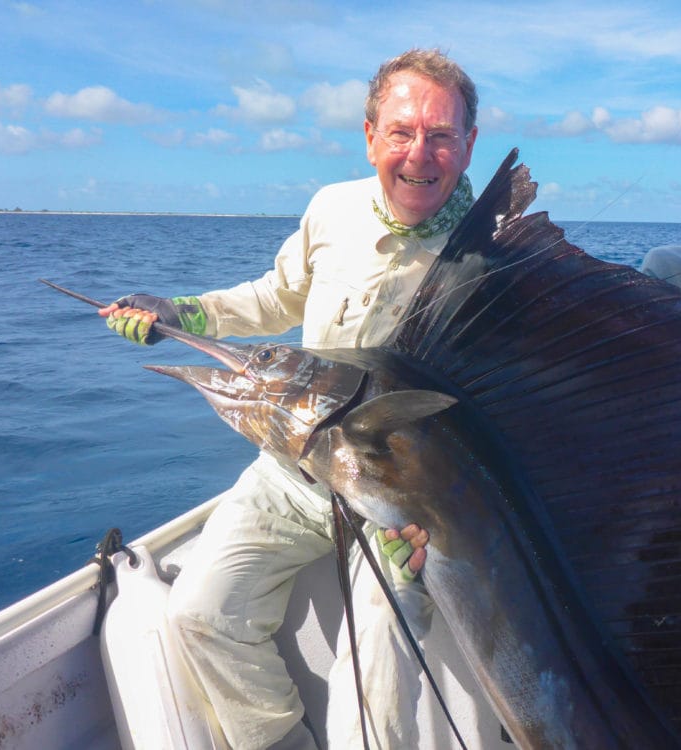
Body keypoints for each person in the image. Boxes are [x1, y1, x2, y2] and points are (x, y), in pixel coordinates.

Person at [99, 48, 479, 750]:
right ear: (370, 136)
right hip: (294, 465)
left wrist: (448, 526)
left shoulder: (488, 259)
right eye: (400, 131)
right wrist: (181, 313)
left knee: (375, 669)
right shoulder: (332, 210)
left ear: (468, 144)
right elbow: (274, 297)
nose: (418, 153)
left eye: (440, 135)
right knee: (200, 614)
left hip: (398, 504)